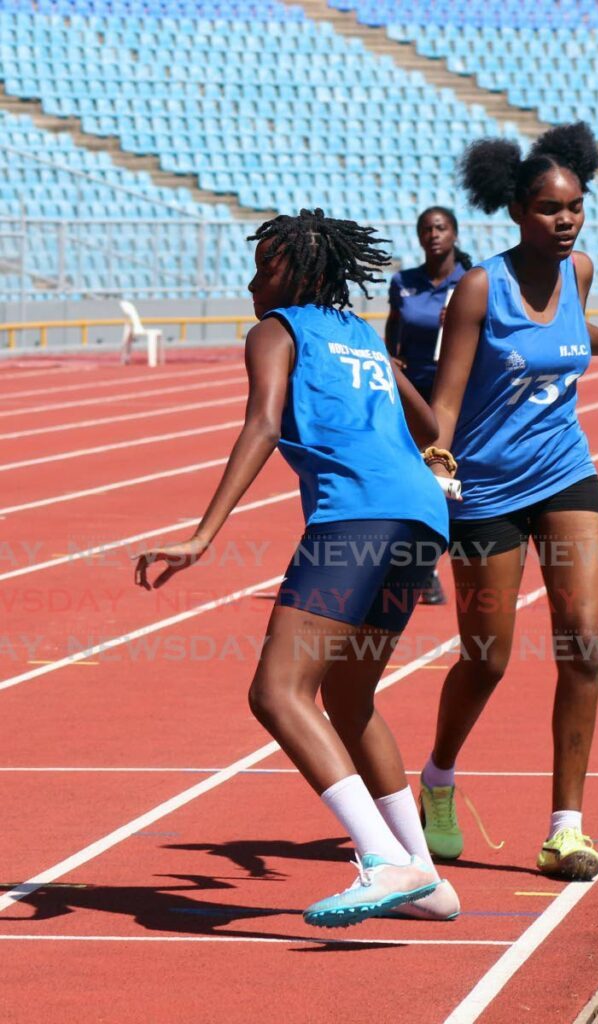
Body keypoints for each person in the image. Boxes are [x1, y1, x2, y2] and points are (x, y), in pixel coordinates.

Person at [134, 210, 460, 926]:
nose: (253, 281)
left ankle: (381, 860)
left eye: (266, 266)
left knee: (278, 694)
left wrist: (203, 534)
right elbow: (432, 429)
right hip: (422, 519)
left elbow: (262, 422)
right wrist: (383, 373)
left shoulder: (275, 330)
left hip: (357, 519)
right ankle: (428, 878)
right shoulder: (361, 335)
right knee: (350, 698)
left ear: (300, 273)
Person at [418, 124, 598, 881]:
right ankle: (437, 777)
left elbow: (564, 331)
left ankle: (567, 828)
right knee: (487, 660)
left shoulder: (580, 271)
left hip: (565, 472)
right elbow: (447, 399)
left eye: (574, 206)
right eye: (547, 209)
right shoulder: (477, 289)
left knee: (583, 644)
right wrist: (433, 470)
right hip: (487, 491)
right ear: (514, 210)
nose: (564, 221)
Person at [385, 207, 473, 605]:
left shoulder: (471, 284)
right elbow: (393, 330)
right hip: (411, 396)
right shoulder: (404, 282)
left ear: (454, 233)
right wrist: (391, 358)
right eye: (426, 229)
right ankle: (421, 568)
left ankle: (430, 566)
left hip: (456, 396)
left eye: (440, 228)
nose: (433, 234)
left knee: (447, 484)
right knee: (412, 482)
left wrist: (460, 319)